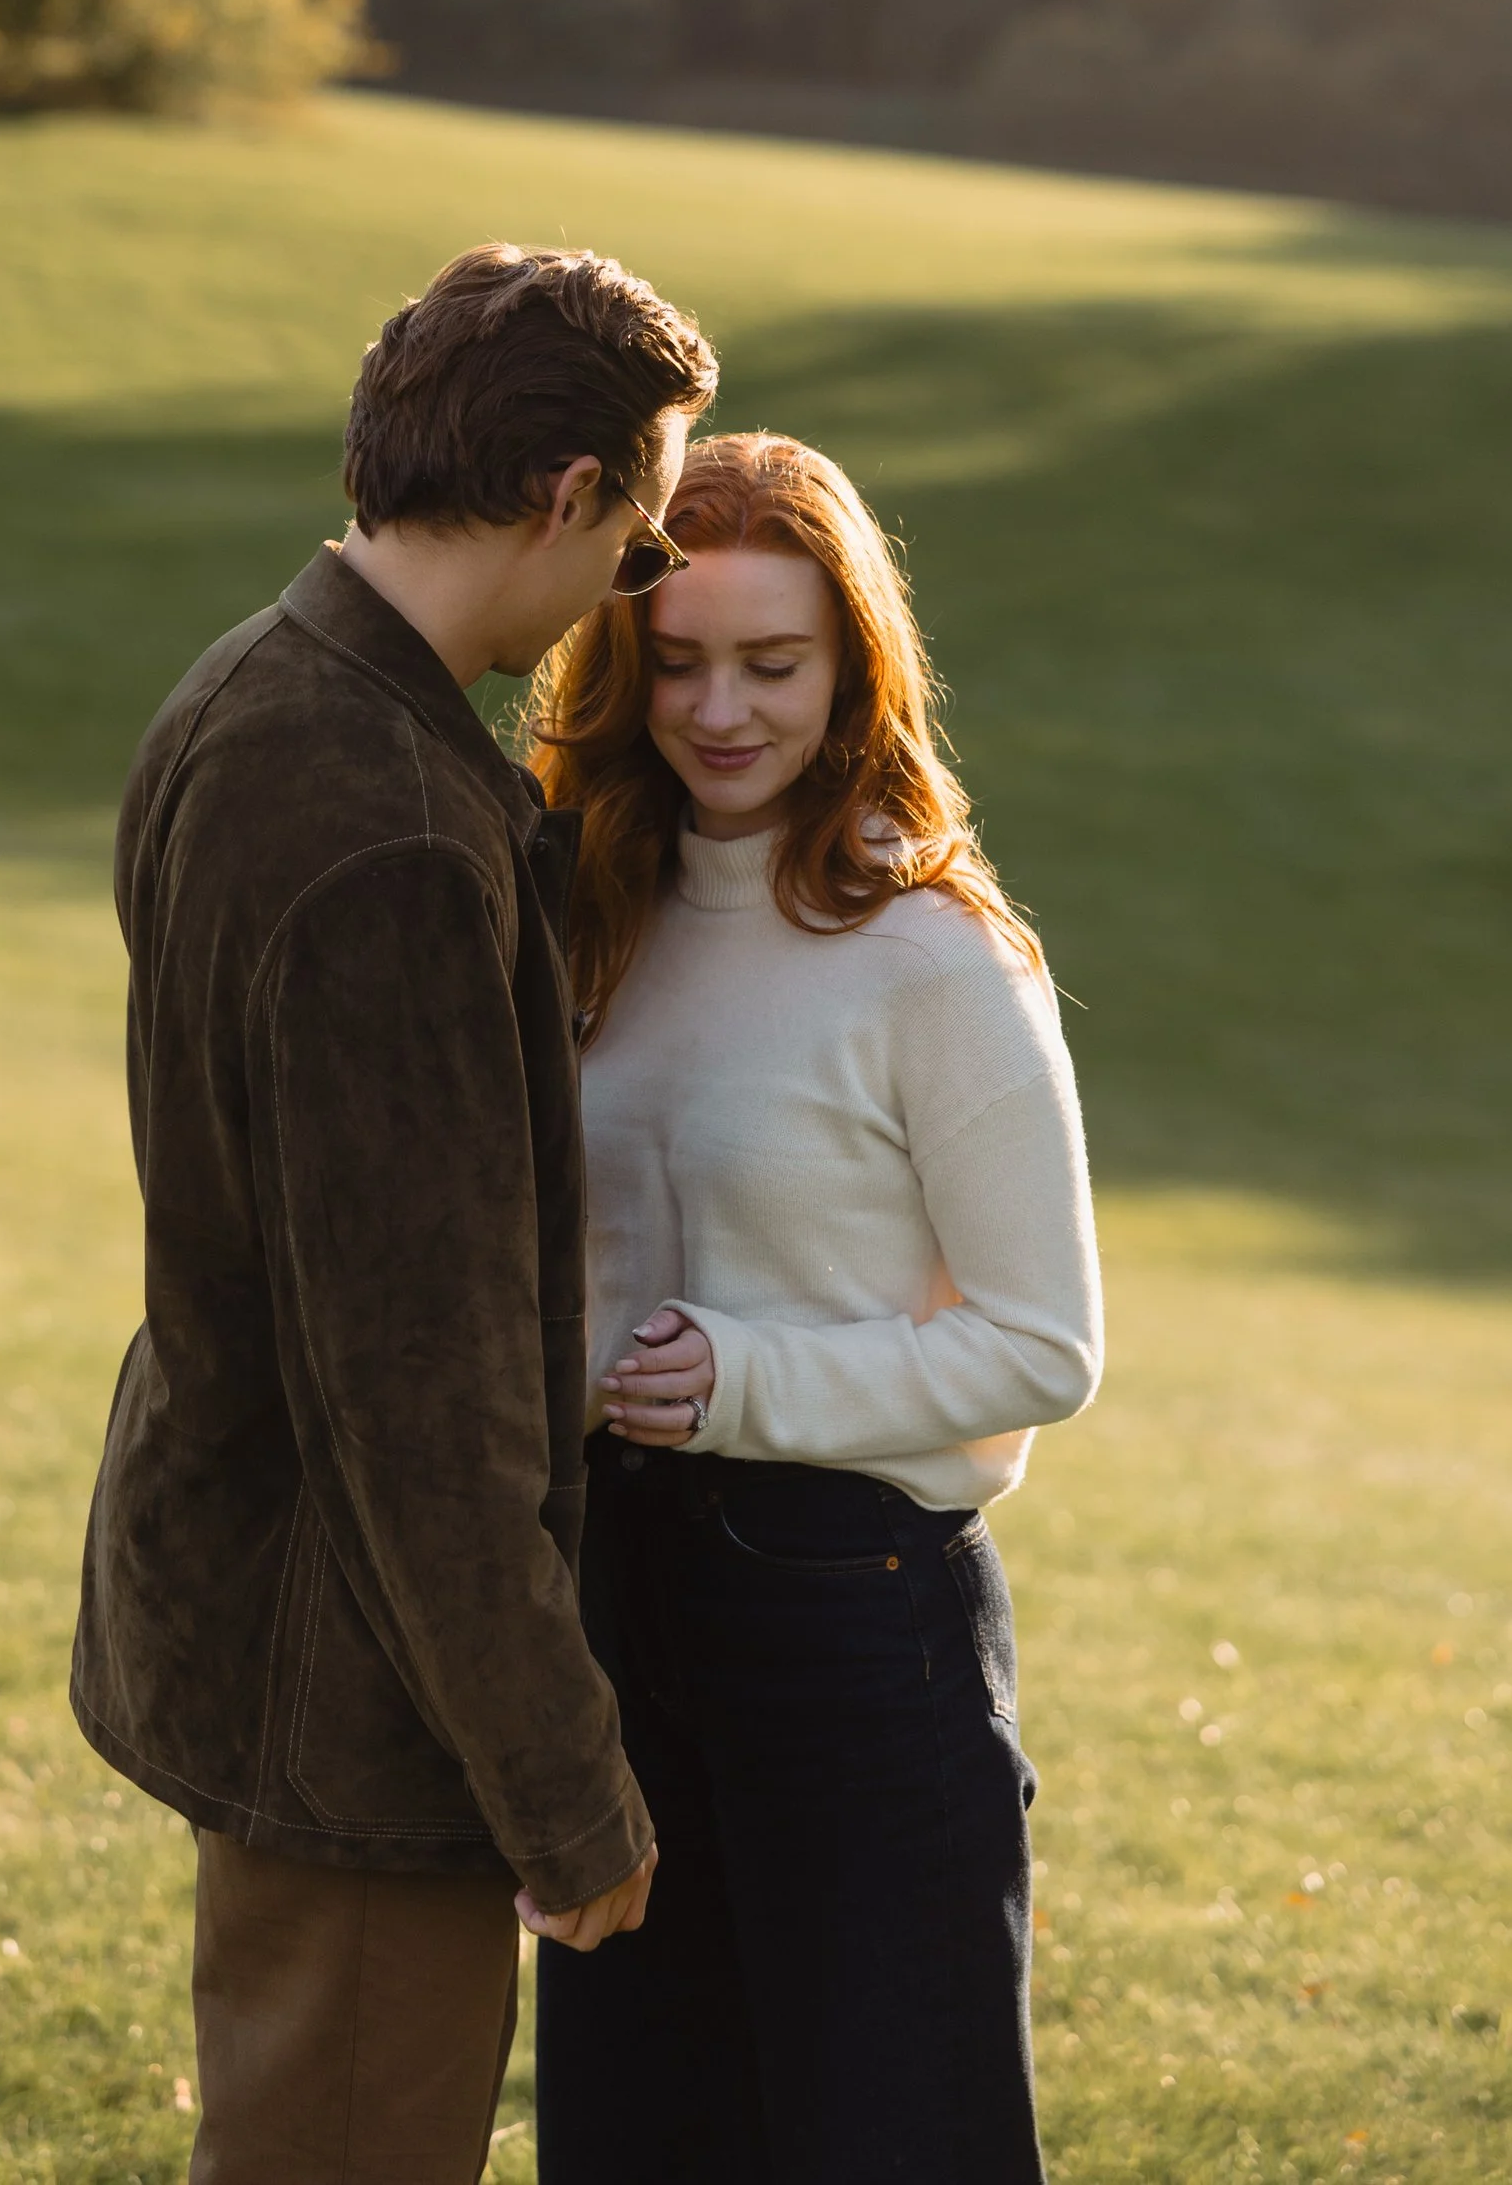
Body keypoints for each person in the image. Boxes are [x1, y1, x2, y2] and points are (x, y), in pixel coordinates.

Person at [70, 242, 720, 2185]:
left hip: (257, 1605)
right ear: (562, 494)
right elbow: (419, 1400)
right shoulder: (390, 838)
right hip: (351, 1684)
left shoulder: (248, 683)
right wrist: (564, 1790)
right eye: (645, 530)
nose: (638, 584)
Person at [527, 429, 1103, 2185]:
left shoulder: (931, 954)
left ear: (854, 665)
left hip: (851, 1617)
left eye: (772, 664)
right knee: (637, 2132)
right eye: (678, 661)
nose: (719, 708)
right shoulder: (591, 907)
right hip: (619, 1601)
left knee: (882, 2137)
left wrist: (744, 1379)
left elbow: (1045, 1344)